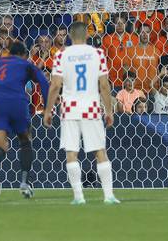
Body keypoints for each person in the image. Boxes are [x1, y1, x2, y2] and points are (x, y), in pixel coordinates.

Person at [44, 21, 119, 205]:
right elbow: (103, 85)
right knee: (100, 151)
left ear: (70, 36)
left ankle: (79, 197)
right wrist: (109, 110)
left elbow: (55, 85)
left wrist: (48, 110)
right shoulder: (98, 54)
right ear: (87, 35)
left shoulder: (62, 54)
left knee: (71, 153)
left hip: (69, 109)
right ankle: (108, 196)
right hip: (91, 108)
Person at [0, 41, 50, 198]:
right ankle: (24, 183)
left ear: (9, 53)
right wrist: (47, 108)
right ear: (24, 55)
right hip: (16, 102)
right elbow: (43, 82)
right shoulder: (25, 64)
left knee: (1, 146)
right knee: (25, 141)